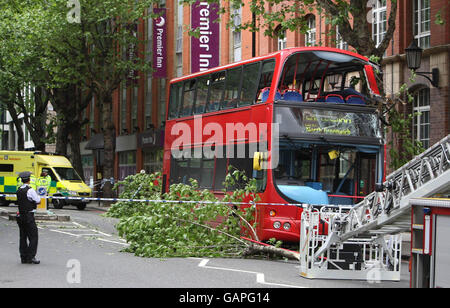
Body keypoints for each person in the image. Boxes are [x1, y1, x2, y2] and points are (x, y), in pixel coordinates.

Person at [16, 171, 41, 264]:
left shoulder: (18, 190)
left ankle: (23, 257)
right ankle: (31, 256)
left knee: (23, 237)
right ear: (29, 180)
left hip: (20, 216)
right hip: (28, 216)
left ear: (22, 180)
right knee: (33, 236)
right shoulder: (30, 190)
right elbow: (37, 200)